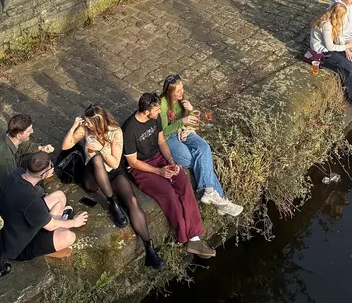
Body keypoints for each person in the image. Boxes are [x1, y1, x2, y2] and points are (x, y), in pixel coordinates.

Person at [61, 106, 164, 269]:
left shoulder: (115, 131)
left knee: (132, 200)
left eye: (89, 122)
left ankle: (149, 247)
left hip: (112, 170)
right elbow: (65, 146)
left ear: (98, 122)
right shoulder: (85, 129)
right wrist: (74, 127)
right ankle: (112, 202)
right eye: (85, 122)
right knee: (96, 160)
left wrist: (100, 147)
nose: (86, 124)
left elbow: (116, 163)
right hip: (92, 176)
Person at [122, 93, 215, 259]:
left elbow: (161, 141)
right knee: (168, 193)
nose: (159, 112)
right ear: (145, 111)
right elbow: (133, 161)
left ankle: (194, 238)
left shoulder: (155, 118)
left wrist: (171, 161)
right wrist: (158, 172)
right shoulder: (129, 130)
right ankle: (183, 236)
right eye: (156, 110)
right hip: (141, 168)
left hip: (159, 157)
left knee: (184, 184)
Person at [159, 76, 242, 216]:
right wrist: (182, 120)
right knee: (194, 160)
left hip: (183, 131)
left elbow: (194, 123)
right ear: (169, 92)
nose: (181, 92)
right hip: (169, 138)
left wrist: (191, 111)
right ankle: (221, 200)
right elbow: (163, 132)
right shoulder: (162, 105)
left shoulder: (182, 101)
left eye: (182, 88)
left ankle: (208, 191)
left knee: (204, 148)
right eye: (178, 91)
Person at [0, 151, 87, 261]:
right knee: (69, 237)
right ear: (44, 175)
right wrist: (75, 222)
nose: (53, 169)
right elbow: (50, 225)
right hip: (17, 247)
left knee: (60, 196)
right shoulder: (32, 203)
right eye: (51, 167)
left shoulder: (17, 173)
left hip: (10, 223)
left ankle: (49, 236)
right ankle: (45, 248)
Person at [0, 114, 54, 204]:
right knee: (38, 191)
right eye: (28, 131)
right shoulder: (5, 159)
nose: (32, 131)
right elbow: (10, 186)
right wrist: (38, 177)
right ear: (19, 135)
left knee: (39, 157)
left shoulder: (10, 136)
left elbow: (25, 145)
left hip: (13, 167)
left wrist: (41, 148)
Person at [307, 3, 352, 108]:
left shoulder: (336, 20)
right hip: (323, 53)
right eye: (342, 15)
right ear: (337, 15)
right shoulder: (326, 24)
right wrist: (346, 46)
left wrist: (346, 48)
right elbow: (330, 47)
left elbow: (339, 37)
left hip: (333, 48)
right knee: (350, 69)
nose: (343, 18)